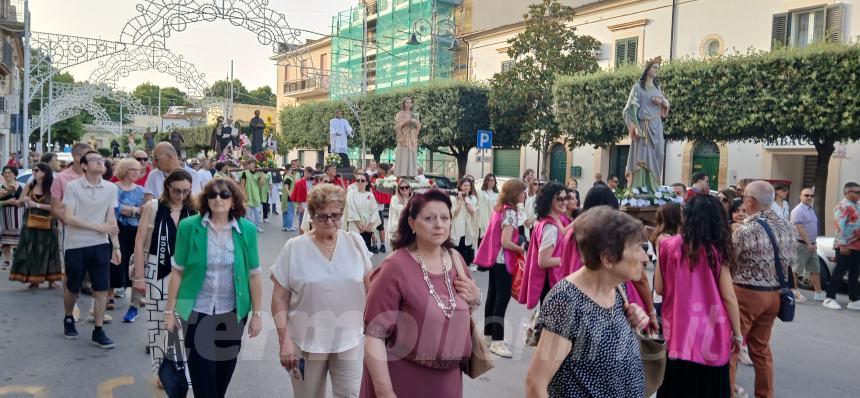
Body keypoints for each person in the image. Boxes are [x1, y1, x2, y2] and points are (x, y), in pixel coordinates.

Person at [361, 189, 481, 398]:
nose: (439, 224)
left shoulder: (456, 260)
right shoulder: (395, 267)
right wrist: (384, 391)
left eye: (445, 218)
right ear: (412, 223)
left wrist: (475, 298)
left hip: (449, 382)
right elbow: (374, 336)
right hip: (404, 378)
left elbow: (460, 311)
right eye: (429, 218)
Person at [525, 206, 650, 398]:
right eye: (637, 248)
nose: (645, 258)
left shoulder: (618, 288)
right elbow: (535, 384)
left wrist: (634, 319)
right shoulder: (567, 301)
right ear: (608, 259)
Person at [271, 183, 372, 397]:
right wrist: (284, 340)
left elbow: (370, 287)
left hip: (349, 340)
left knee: (351, 395)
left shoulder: (356, 243)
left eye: (335, 215)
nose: (330, 222)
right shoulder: (294, 248)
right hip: (305, 342)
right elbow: (279, 298)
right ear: (312, 214)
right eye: (322, 216)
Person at [165, 178, 263, 398]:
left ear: (234, 199)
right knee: (202, 376)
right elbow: (178, 272)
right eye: (212, 195)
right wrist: (170, 312)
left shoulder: (246, 230)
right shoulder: (189, 227)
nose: (218, 199)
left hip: (232, 313)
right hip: (196, 312)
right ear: (205, 199)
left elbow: (254, 275)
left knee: (223, 373)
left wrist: (257, 314)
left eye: (224, 195)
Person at [654, 195, 743, 397]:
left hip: (678, 330)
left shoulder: (668, 245)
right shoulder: (717, 250)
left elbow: (659, 288)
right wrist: (737, 334)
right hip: (712, 332)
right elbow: (729, 297)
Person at [729, 180, 798, 398]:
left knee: (732, 347)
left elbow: (731, 263)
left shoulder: (745, 230)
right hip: (776, 294)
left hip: (747, 294)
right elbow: (792, 261)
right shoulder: (787, 227)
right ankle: (765, 395)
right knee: (761, 349)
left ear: (750, 201)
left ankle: (727, 391)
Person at [131, 169, 196, 375]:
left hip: (186, 271)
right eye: (177, 191)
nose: (181, 196)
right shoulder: (153, 207)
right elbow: (140, 242)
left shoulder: (193, 210)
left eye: (186, 191)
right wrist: (139, 277)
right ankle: (161, 369)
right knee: (158, 321)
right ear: (168, 187)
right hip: (157, 267)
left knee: (183, 319)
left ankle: (178, 367)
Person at [61, 151, 121, 348]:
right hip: (76, 244)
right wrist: (99, 227)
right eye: (94, 159)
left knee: (101, 288)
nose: (100, 162)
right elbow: (69, 218)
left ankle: (98, 329)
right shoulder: (73, 187)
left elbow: (110, 218)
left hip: (100, 245)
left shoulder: (111, 188)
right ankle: (69, 317)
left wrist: (116, 245)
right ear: (84, 165)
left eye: (102, 159)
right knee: (73, 287)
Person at [474, 178, 528, 358]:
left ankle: (489, 336)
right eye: (522, 191)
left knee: (493, 296)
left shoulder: (499, 208)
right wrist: (520, 248)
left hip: (494, 260)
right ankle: (497, 341)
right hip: (503, 260)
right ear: (514, 193)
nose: (525, 194)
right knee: (501, 299)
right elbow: (506, 242)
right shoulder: (511, 213)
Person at [8, 162, 62, 288]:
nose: (34, 172)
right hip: (30, 222)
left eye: (37, 170)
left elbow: (56, 207)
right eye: (33, 170)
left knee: (49, 250)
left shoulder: (53, 186)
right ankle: (33, 279)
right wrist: (24, 200)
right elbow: (19, 203)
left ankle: (51, 279)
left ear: (45, 172)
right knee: (30, 250)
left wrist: (36, 205)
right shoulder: (30, 185)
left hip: (48, 222)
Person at [520, 182, 571, 310]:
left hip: (556, 281)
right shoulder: (550, 227)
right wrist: (567, 260)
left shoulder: (558, 219)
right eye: (559, 198)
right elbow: (543, 261)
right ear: (549, 201)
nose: (564, 202)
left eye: (566, 198)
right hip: (551, 282)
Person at [624, 55, 670, 183]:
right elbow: (630, 109)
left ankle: (654, 185)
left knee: (660, 153)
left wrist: (665, 103)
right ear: (648, 69)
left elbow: (664, 104)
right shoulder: (637, 88)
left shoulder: (657, 88)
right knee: (643, 156)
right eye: (655, 67)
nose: (656, 70)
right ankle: (641, 185)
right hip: (644, 126)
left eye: (658, 68)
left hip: (657, 125)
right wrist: (636, 127)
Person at [110, 159, 146, 312]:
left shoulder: (140, 189)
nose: (137, 173)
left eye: (138, 170)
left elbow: (145, 210)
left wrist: (133, 210)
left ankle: (136, 297)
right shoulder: (114, 188)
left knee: (136, 260)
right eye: (133, 169)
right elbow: (116, 208)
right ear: (125, 170)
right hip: (117, 228)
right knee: (116, 260)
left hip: (136, 229)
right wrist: (136, 210)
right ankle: (110, 295)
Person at [823, 182, 860, 310]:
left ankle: (854, 299)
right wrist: (843, 244)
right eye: (857, 192)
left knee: (854, 273)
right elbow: (840, 226)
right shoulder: (842, 207)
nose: (859, 194)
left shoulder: (857, 206)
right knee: (840, 272)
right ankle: (829, 298)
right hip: (846, 245)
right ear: (847, 193)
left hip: (856, 245)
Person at [790, 188, 822, 302]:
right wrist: (808, 242)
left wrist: (813, 243)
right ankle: (793, 291)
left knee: (815, 269)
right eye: (806, 195)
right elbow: (799, 227)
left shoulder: (810, 209)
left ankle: (818, 293)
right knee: (796, 269)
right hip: (802, 244)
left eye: (811, 196)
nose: (809, 197)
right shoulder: (798, 210)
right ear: (800, 196)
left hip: (812, 245)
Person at [345, 171, 381, 251]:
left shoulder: (370, 195)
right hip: (355, 226)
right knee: (355, 250)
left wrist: (370, 225)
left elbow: (374, 211)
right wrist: (359, 225)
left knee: (365, 251)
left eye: (362, 180)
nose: (360, 182)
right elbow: (351, 209)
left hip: (367, 228)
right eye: (358, 181)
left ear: (367, 183)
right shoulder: (351, 194)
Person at [451, 178, 479, 265]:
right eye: (464, 185)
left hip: (468, 228)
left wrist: (466, 200)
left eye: (468, 185)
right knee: (456, 250)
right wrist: (460, 200)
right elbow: (455, 213)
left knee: (465, 252)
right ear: (460, 186)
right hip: (458, 228)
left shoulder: (473, 198)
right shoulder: (453, 198)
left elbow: (472, 212)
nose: (466, 187)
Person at [0, 166, 23, 268]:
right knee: (6, 241)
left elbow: (25, 199)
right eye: (5, 173)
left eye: (9, 173)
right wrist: (8, 201)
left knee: (20, 240)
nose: (7, 175)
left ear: (15, 174)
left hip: (19, 214)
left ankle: (20, 260)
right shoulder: (1, 187)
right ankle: (7, 261)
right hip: (4, 216)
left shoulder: (22, 186)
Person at [393, 97, 421, 177]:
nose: (408, 104)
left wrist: (416, 124)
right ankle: (402, 173)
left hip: (412, 138)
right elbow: (397, 126)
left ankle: (411, 173)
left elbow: (418, 127)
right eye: (407, 102)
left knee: (411, 155)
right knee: (403, 155)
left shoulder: (414, 114)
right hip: (403, 139)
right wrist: (409, 121)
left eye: (410, 102)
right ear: (404, 104)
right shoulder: (399, 114)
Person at [241, 159, 266, 232]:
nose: (252, 165)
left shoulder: (258, 173)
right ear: (248, 165)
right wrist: (244, 195)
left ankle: (257, 226)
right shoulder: (245, 173)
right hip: (248, 196)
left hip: (256, 195)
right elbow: (242, 185)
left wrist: (261, 174)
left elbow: (261, 184)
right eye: (251, 164)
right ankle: (248, 228)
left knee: (257, 214)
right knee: (248, 215)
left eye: (253, 163)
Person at [386, 179, 412, 247]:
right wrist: (398, 229)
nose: (404, 189)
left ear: (409, 188)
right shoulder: (395, 199)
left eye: (406, 187)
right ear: (398, 189)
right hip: (398, 231)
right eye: (402, 187)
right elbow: (393, 216)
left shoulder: (413, 199)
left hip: (411, 232)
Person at [477, 174, 499, 241]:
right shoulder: (480, 192)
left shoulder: (497, 193)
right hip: (483, 220)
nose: (491, 182)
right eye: (489, 180)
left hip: (493, 220)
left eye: (493, 180)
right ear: (486, 181)